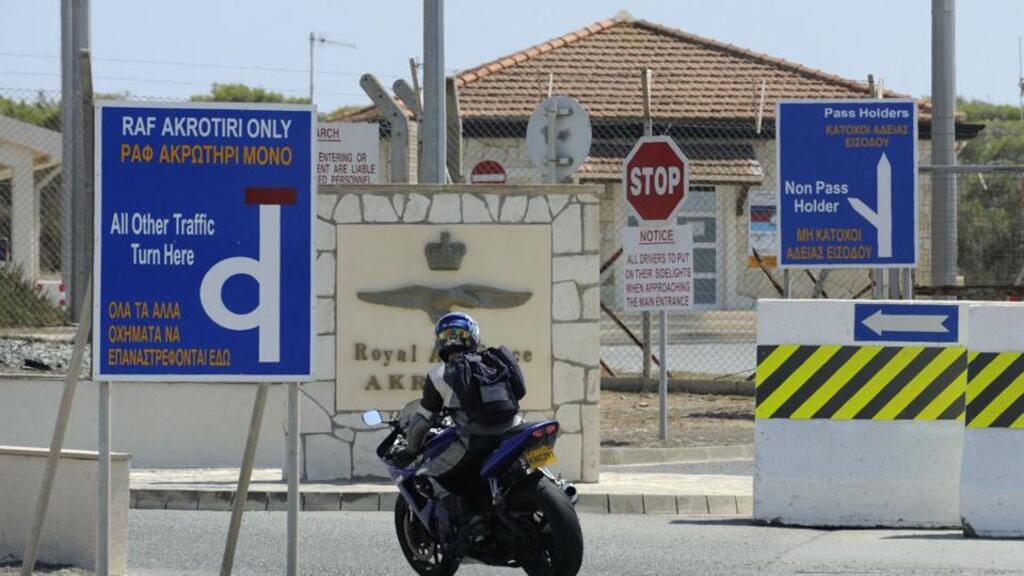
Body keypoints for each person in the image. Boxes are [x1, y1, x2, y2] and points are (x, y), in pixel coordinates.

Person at [403, 311, 526, 547]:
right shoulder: (497, 360)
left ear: (440, 341)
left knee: (424, 473)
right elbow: (519, 392)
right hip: (515, 432)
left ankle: (471, 519)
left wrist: (412, 447)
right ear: (474, 337)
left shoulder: (439, 375)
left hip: (475, 440)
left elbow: (424, 420)